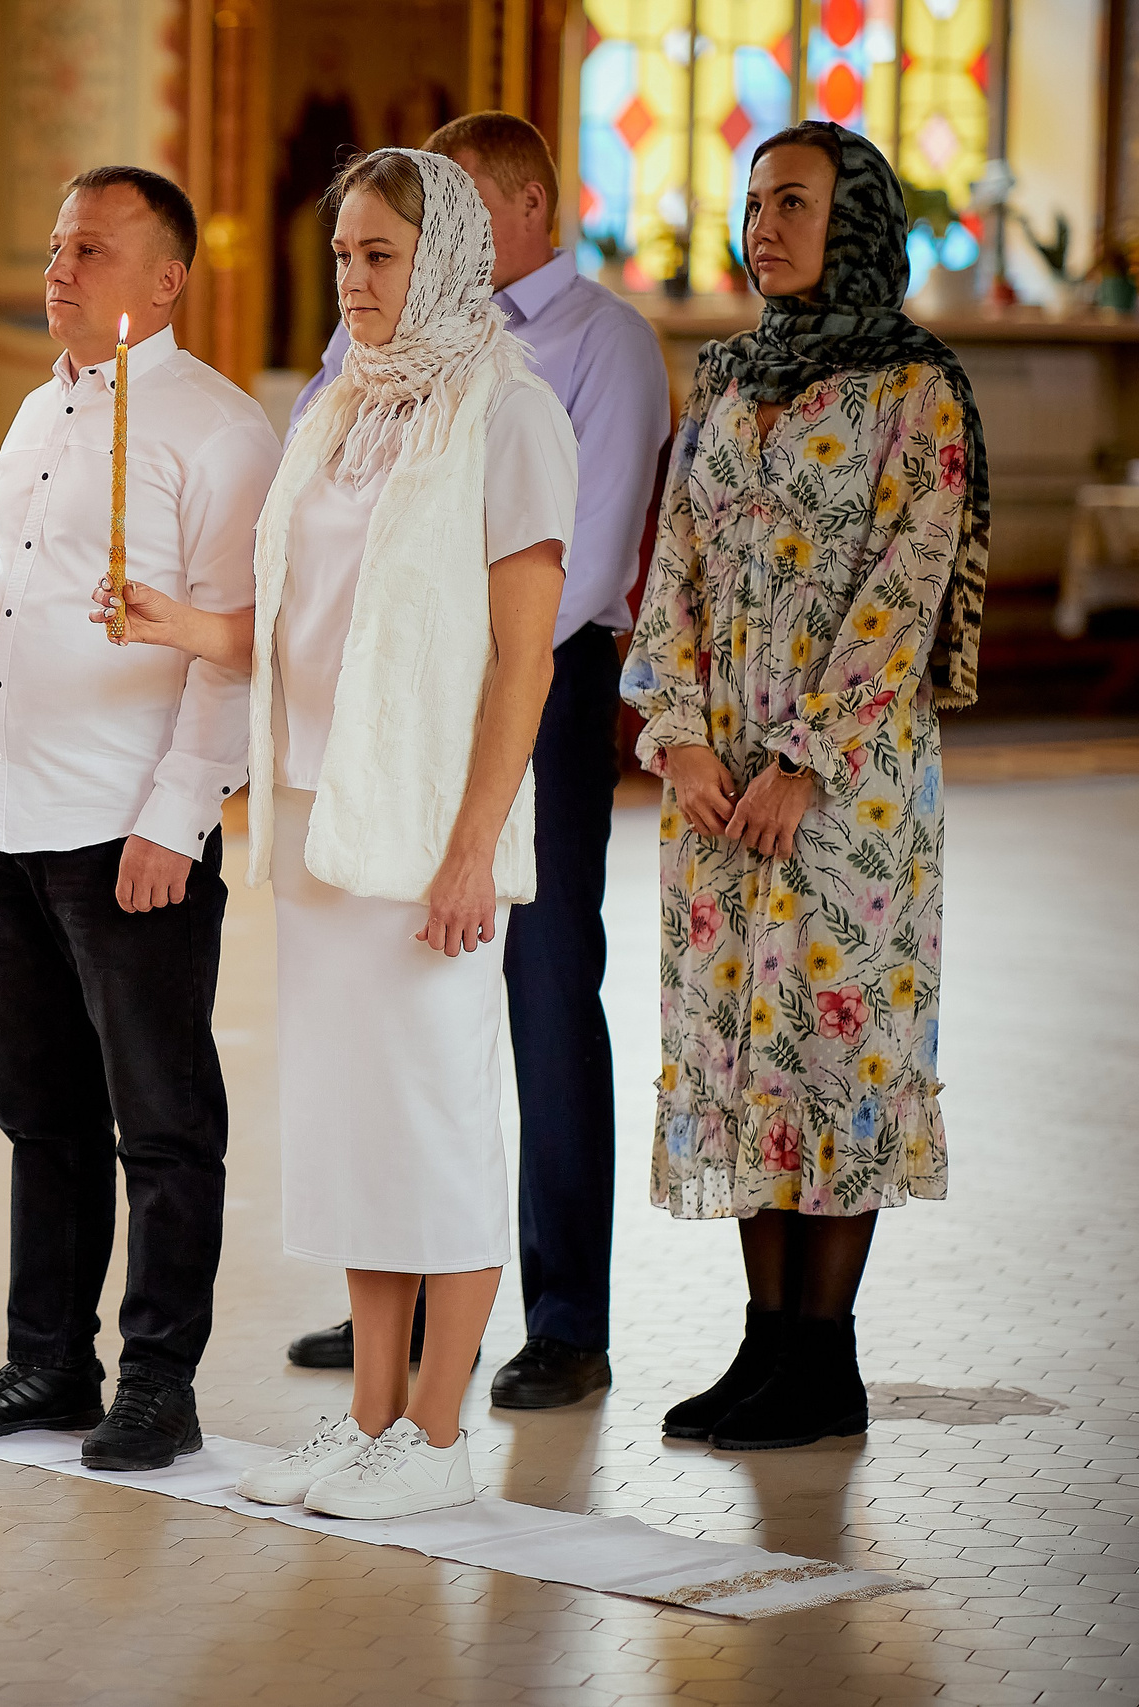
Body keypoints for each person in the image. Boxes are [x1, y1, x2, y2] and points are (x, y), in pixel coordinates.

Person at [98, 147, 574, 1518]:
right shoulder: (337, 408)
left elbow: (520, 661)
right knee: (359, 1126)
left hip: (433, 828)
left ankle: (436, 1442)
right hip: (319, 815)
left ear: (448, 262)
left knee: (434, 1124)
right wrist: (176, 624)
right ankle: (366, 1421)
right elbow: (296, 622)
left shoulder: (510, 412)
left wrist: (477, 846)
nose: (356, 279)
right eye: (345, 255)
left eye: (382, 255)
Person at [0, 166, 280, 1472]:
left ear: (166, 279)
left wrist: (177, 817)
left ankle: (161, 1379)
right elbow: (26, 609)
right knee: (40, 1114)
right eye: (54, 245)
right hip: (7, 816)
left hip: (125, 827)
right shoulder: (40, 412)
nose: (60, 266)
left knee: (160, 1120)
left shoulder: (218, 433)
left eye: (92, 248)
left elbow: (231, 650)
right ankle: (50, 1362)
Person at [280, 113, 669, 1408]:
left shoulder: (588, 350)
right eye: (356, 248)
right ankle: (396, 1316)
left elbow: (586, 563)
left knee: (540, 997)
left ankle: (562, 1314)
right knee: (389, 1035)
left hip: (525, 699)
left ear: (523, 205)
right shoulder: (375, 346)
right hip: (378, 723)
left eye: (437, 215)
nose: (362, 273)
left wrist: (443, 681)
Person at [621, 120, 983, 1451]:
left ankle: (826, 1364)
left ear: (859, 221)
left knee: (833, 1051)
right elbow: (674, 571)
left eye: (793, 202)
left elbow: (905, 592)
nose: (762, 224)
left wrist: (806, 760)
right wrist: (682, 734)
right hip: (718, 795)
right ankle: (764, 1350)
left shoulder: (916, 389)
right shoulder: (723, 379)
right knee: (744, 1056)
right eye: (753, 201)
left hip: (852, 800)